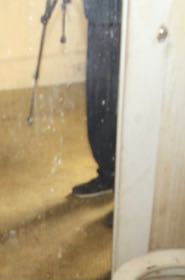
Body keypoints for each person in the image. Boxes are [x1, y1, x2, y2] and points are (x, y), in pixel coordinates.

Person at [72, 0, 122, 198]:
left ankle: (112, 174)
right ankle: (112, 172)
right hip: (105, 18)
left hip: (111, 19)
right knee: (103, 99)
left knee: (104, 100)